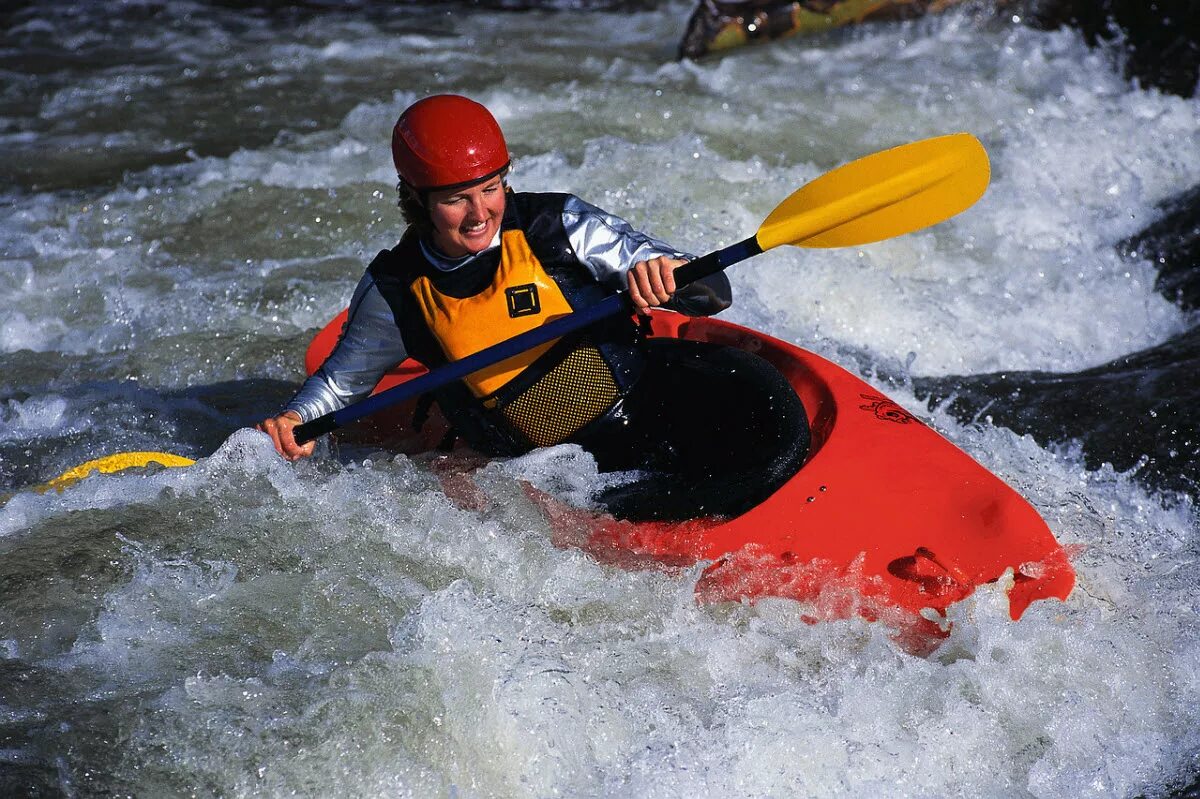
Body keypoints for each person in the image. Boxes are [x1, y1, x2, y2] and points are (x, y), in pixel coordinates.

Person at [259, 94, 808, 521]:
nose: (480, 213)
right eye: (455, 199)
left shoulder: (558, 227)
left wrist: (666, 274)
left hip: (647, 403)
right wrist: (294, 420)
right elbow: (337, 388)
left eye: (491, 189)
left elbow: (711, 290)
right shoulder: (396, 290)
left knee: (765, 417)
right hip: (551, 468)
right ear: (417, 200)